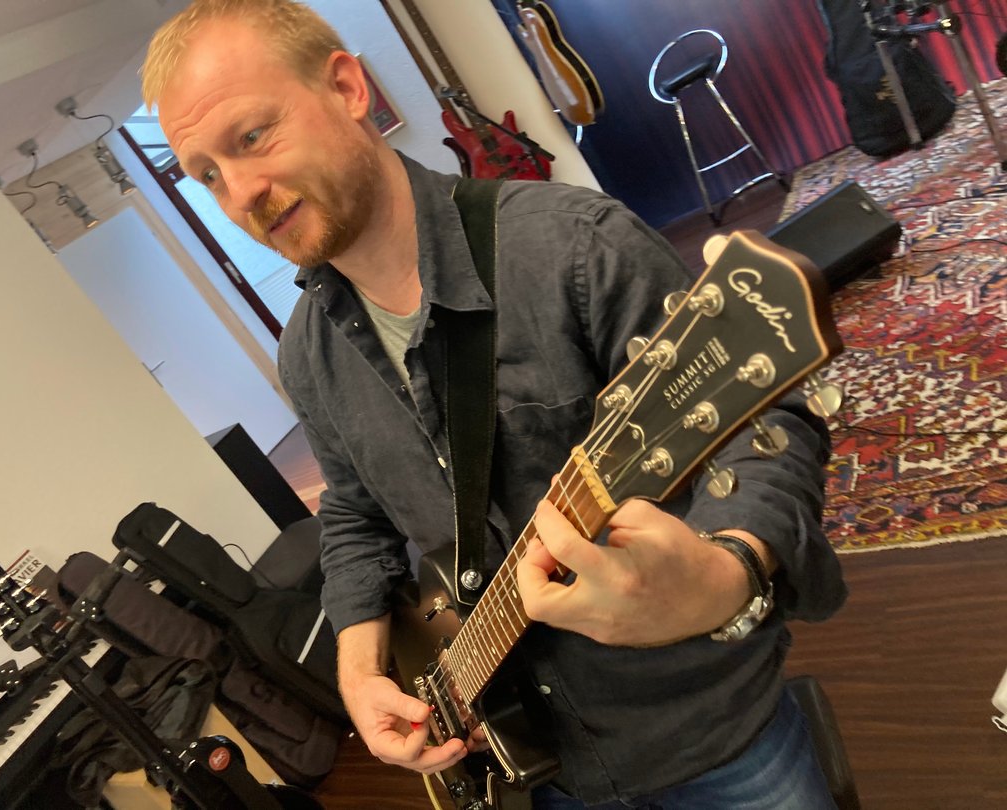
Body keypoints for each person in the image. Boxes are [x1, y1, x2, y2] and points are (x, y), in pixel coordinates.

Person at [142, 2, 847, 807]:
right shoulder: (307, 352)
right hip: (526, 760)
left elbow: (764, 428)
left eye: (251, 136)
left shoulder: (576, 245)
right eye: (207, 175)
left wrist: (726, 577)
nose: (240, 194)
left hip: (705, 732)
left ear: (345, 88)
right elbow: (354, 513)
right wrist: (360, 668)